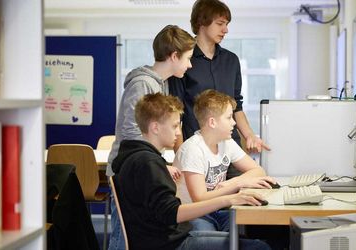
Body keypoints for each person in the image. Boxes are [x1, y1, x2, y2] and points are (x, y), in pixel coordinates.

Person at [112, 93, 271, 250]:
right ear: (155, 128)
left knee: (242, 237)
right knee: (258, 247)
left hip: (168, 237)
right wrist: (229, 199)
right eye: (174, 126)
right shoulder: (149, 163)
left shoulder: (140, 158)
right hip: (169, 243)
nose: (179, 132)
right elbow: (172, 213)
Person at [107, 25, 196, 250]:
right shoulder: (143, 84)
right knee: (123, 239)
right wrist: (159, 165)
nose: (190, 65)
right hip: (129, 172)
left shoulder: (159, 84)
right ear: (174, 56)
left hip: (141, 168)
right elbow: (131, 131)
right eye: (187, 58)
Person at [169, 0, 270, 179]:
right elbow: (175, 114)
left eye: (227, 24)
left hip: (230, 148)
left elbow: (236, 105)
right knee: (204, 204)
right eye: (220, 24)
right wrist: (181, 156)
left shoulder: (231, 61)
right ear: (202, 22)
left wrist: (250, 136)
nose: (226, 30)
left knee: (244, 196)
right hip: (198, 151)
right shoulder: (184, 60)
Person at [174, 89, 277, 232]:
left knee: (253, 230)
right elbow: (200, 198)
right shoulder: (192, 149)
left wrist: (232, 183)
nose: (234, 123)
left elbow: (258, 171)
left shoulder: (225, 142)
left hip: (217, 210)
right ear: (212, 122)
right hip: (195, 216)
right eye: (229, 117)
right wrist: (237, 185)